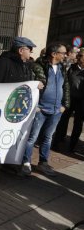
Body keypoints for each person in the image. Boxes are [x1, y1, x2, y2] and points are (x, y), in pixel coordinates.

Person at [0, 36, 41, 180]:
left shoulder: (26, 64)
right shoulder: (3, 62)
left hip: (18, 109)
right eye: (29, 49)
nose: (31, 52)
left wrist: (35, 85)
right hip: (2, 109)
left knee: (13, 137)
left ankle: (8, 163)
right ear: (21, 50)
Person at [21, 43, 70, 177]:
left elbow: (66, 86)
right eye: (63, 53)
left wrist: (64, 105)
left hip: (56, 110)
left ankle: (43, 163)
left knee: (48, 138)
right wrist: (35, 105)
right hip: (40, 109)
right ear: (54, 54)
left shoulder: (62, 67)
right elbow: (30, 86)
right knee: (32, 137)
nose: (65, 55)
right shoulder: (38, 66)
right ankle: (26, 162)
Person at [53, 50, 84, 152]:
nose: (82, 58)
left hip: (81, 101)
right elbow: (65, 82)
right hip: (70, 98)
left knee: (78, 123)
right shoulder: (71, 68)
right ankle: (57, 141)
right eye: (81, 56)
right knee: (63, 120)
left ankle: (72, 145)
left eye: (83, 56)